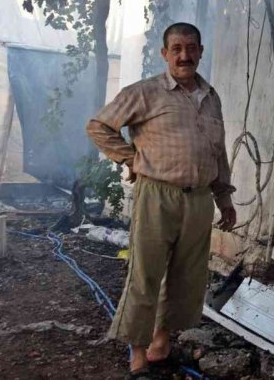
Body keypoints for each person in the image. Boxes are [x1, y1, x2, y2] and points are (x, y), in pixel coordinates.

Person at [86, 22, 236, 378]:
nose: (185, 55)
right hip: (157, 195)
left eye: (191, 48)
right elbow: (99, 126)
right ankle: (136, 355)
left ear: (201, 51)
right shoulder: (145, 92)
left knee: (187, 276)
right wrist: (130, 158)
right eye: (177, 49)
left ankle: (161, 344)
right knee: (145, 273)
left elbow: (219, 153)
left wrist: (224, 199)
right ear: (165, 53)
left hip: (199, 199)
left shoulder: (211, 97)